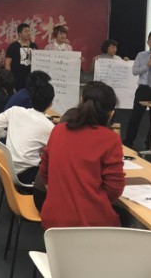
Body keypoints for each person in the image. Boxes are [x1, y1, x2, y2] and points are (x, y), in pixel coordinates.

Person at [39, 81, 125, 228]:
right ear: (111, 113)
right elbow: (114, 189)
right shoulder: (111, 139)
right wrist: (93, 199)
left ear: (81, 103)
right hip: (90, 225)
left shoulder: (58, 130)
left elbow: (44, 170)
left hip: (53, 222)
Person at [0, 75, 55, 184]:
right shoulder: (50, 128)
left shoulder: (14, 111)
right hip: (25, 175)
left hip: (5, 168)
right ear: (50, 104)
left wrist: (6, 134)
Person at [5, 23, 38, 91]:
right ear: (20, 33)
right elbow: (7, 64)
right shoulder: (13, 46)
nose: (28, 33)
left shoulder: (33, 46)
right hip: (17, 79)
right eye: (26, 31)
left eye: (29, 31)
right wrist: (9, 80)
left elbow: (38, 61)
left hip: (30, 79)